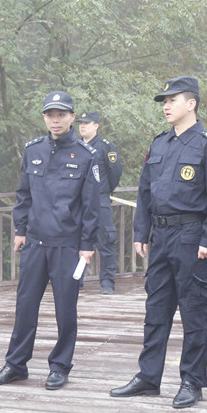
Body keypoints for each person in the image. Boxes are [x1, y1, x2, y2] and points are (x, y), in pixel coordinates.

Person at [110, 76, 207, 409]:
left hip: (191, 236)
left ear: (191, 103)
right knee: (156, 308)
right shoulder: (159, 144)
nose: (166, 106)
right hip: (161, 236)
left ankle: (192, 381)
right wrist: (141, 232)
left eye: (172, 100)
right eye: (164, 101)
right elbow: (145, 192)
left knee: (193, 310)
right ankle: (149, 377)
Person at [0, 91, 100, 390]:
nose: (55, 120)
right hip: (35, 242)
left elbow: (91, 206)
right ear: (44, 118)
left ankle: (60, 366)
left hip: (67, 244)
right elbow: (24, 194)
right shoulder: (33, 150)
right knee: (25, 305)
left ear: (72, 117)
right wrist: (20, 230)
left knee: (65, 309)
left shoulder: (86, 155)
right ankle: (16, 364)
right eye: (50, 115)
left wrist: (87, 244)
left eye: (61, 114)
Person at [75, 111, 123, 294]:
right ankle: (76, 281)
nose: (82, 126)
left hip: (100, 199)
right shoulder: (75, 146)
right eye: (81, 123)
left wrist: (104, 190)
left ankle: (107, 282)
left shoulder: (105, 147)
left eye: (86, 123)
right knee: (76, 242)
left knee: (106, 241)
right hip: (78, 202)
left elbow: (115, 172)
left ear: (96, 125)